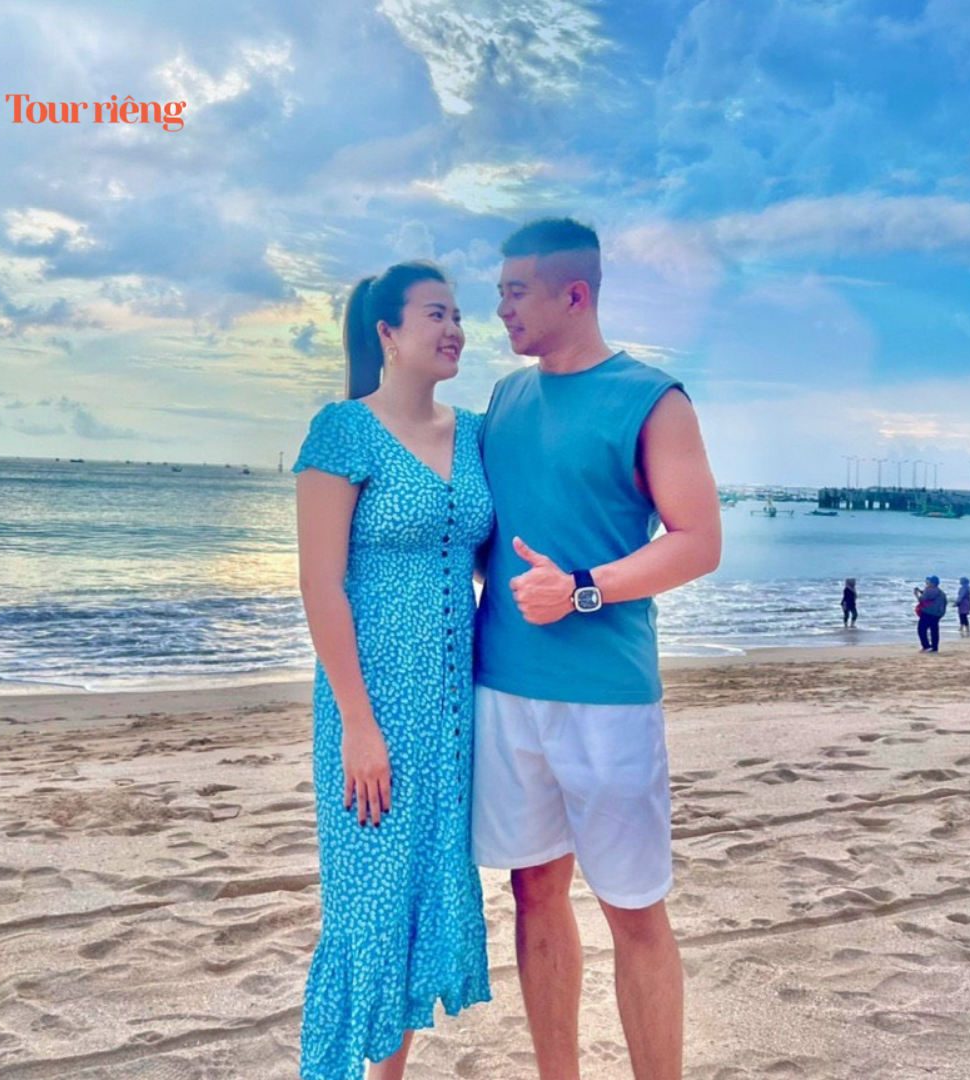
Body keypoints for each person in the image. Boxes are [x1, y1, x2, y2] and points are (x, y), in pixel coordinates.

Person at [474, 218, 722, 1080]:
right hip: (502, 688)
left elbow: (698, 541)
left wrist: (582, 586)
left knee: (633, 910)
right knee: (533, 892)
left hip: (608, 697)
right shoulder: (503, 400)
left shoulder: (653, 399)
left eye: (516, 291)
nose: (501, 308)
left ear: (574, 295)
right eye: (500, 291)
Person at [294, 261, 492, 1080]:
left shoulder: (474, 433)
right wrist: (358, 726)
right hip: (371, 711)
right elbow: (320, 584)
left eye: (459, 315)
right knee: (367, 911)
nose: (456, 330)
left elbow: (490, 562)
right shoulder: (343, 430)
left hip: (453, 718)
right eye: (436, 314)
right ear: (388, 332)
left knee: (417, 903)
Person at [913, 574, 946, 653]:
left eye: (928, 581)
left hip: (929, 613)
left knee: (921, 629)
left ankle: (926, 646)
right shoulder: (940, 591)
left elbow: (921, 599)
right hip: (938, 614)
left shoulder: (930, 590)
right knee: (934, 630)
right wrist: (921, 591)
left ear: (932, 583)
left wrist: (916, 594)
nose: (927, 582)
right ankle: (934, 647)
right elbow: (930, 596)